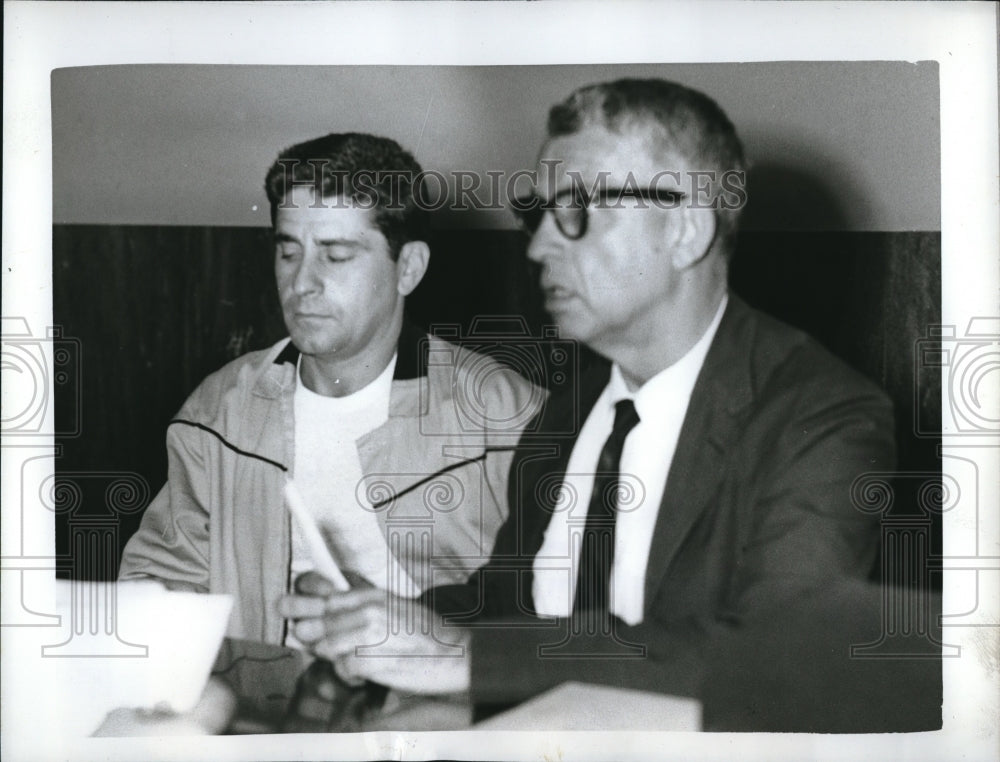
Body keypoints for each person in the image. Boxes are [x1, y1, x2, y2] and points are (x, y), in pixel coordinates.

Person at [279, 81, 896, 719]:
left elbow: (778, 661)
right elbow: (514, 601)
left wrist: (462, 656)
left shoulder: (821, 418)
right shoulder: (569, 409)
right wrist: (381, 621)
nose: (540, 244)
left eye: (575, 209)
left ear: (685, 229)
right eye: (538, 213)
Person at [119, 133, 543, 647]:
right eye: (288, 252)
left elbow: (554, 606)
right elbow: (164, 579)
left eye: (336, 255)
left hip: (438, 708)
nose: (302, 283)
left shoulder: (509, 417)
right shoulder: (219, 411)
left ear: (408, 268)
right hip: (266, 707)